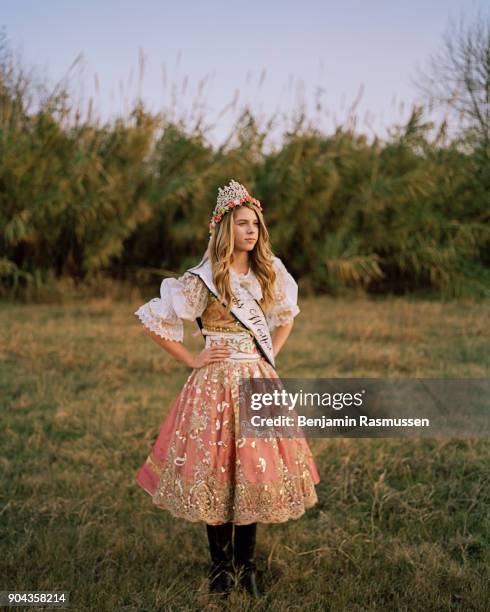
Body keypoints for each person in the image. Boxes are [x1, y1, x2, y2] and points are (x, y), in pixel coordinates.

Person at [134, 179, 320, 598]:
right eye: (241, 224)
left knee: (252, 470)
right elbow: (154, 320)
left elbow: (287, 316)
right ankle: (220, 568)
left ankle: (246, 566)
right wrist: (193, 358)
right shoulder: (204, 278)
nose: (251, 231)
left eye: (255, 224)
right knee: (214, 470)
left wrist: (269, 354)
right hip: (213, 386)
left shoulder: (268, 272)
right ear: (224, 229)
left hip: (255, 380)